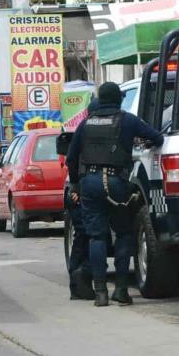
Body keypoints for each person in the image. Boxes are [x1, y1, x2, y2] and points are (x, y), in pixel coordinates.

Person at [66, 82, 164, 307]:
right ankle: (121, 290)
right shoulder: (128, 119)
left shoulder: (85, 123)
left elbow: (71, 157)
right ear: (119, 99)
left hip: (90, 182)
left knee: (96, 236)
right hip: (117, 182)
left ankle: (100, 291)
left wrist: (76, 185)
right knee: (123, 233)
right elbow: (156, 138)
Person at [66, 99, 98, 301]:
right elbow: (72, 159)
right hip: (82, 192)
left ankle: (80, 285)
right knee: (84, 236)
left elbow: (70, 158)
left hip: (82, 190)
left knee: (83, 237)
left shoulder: (84, 128)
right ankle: (80, 284)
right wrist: (76, 187)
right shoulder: (85, 130)